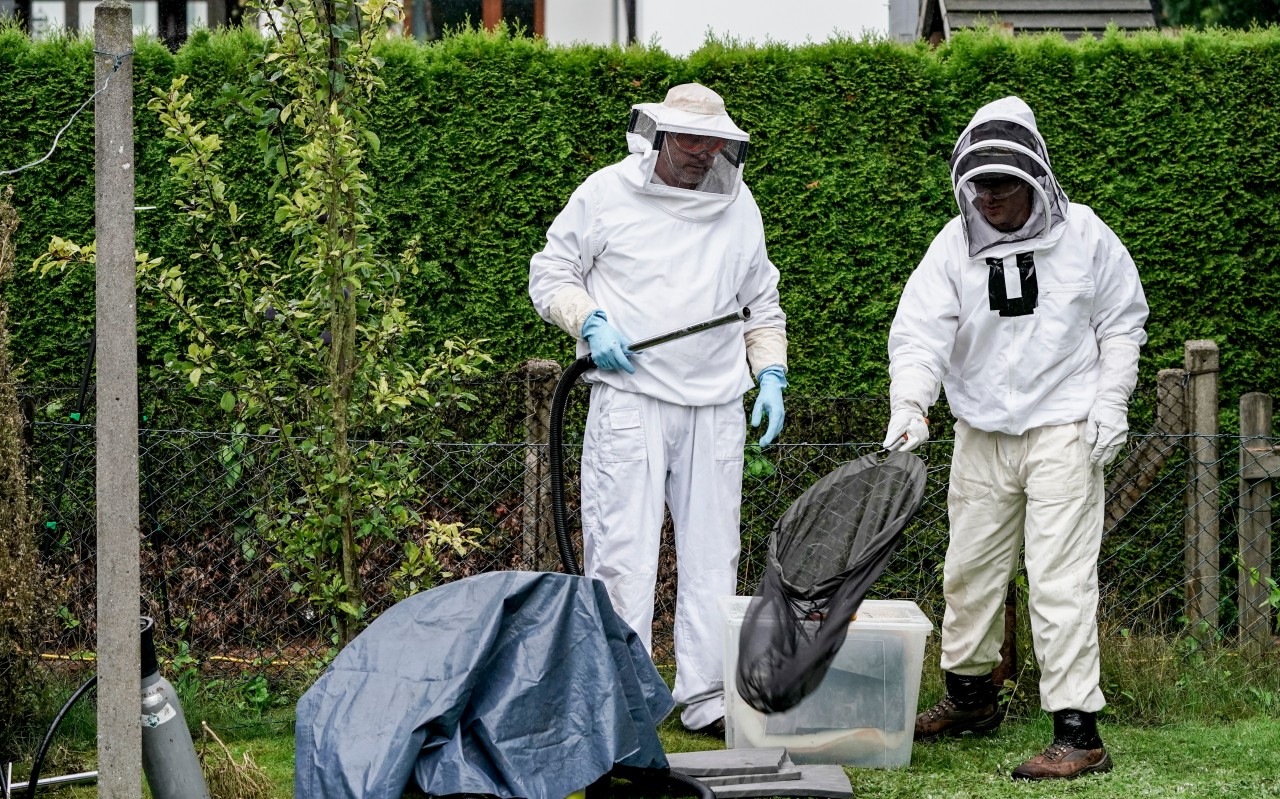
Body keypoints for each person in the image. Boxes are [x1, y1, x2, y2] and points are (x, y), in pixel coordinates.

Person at [882, 96, 1148, 780]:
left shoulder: (1086, 236)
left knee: (1060, 581)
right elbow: (919, 331)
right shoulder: (952, 244)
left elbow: (1122, 321)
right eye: (982, 187)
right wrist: (911, 402)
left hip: (1065, 426)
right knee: (967, 571)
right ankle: (971, 700)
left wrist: (1112, 401)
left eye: (1004, 186)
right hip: (982, 431)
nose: (993, 198)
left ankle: (1077, 732)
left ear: (1036, 178)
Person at [528, 83, 788, 735]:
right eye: (693, 140)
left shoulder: (738, 205)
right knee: (622, 549)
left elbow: (761, 301)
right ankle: (623, 696)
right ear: (662, 136)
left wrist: (772, 372)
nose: (704, 153)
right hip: (630, 397)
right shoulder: (605, 194)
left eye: (715, 141)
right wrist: (589, 319)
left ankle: (705, 694)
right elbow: (549, 274)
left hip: (717, 401)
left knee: (714, 551)